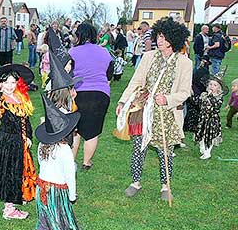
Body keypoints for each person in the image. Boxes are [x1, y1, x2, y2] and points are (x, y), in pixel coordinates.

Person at [116, 17, 192, 201]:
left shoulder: (184, 63)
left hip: (167, 114)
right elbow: (136, 81)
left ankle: (165, 186)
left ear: (174, 40)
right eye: (158, 36)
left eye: (164, 37)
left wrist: (167, 99)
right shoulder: (148, 57)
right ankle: (135, 182)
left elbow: (185, 92)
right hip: (143, 110)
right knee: (137, 147)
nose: (159, 40)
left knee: (164, 151)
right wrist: (122, 101)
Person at [34, 94, 92, 230]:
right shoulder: (65, 150)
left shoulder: (42, 145)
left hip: (41, 186)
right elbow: (69, 176)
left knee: (44, 209)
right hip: (57, 189)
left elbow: (40, 163)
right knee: (58, 212)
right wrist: (72, 196)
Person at [0, 64, 36, 220]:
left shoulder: (19, 97)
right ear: (0, 83)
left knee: (21, 170)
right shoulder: (0, 99)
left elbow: (26, 120)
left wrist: (28, 136)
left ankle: (19, 195)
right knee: (9, 173)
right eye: (6, 83)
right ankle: (9, 209)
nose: (10, 86)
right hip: (8, 143)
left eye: (13, 82)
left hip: (21, 141)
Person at [68, 23, 112, 170]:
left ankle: (71, 161)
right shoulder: (104, 52)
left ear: (78, 36)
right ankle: (87, 162)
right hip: (100, 94)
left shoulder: (72, 52)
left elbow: (67, 74)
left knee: (75, 129)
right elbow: (109, 75)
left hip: (78, 93)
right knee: (93, 130)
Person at [194, 71, 226, 159]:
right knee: (201, 134)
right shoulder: (204, 94)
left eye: (215, 85)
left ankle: (208, 152)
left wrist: (210, 97)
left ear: (219, 88)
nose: (212, 86)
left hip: (212, 120)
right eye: (211, 84)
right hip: (203, 118)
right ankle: (202, 148)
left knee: (210, 136)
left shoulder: (219, 97)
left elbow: (216, 106)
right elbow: (198, 103)